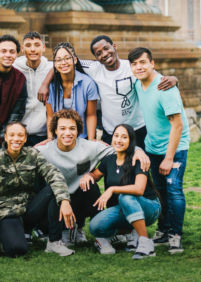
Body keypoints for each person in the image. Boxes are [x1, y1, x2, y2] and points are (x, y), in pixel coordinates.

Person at [36, 109, 150, 254]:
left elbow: (119, 148)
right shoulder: (45, 150)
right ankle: (58, 234)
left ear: (78, 131)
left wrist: (138, 150)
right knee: (50, 190)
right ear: (55, 131)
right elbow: (23, 154)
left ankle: (101, 237)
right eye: (62, 128)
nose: (68, 133)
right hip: (56, 203)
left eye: (72, 128)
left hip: (80, 198)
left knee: (90, 184)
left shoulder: (90, 147)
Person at [38, 35, 178, 149]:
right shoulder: (94, 68)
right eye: (99, 53)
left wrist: (173, 79)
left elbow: (154, 77)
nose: (104, 54)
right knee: (115, 171)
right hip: (111, 132)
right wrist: (45, 84)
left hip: (138, 128)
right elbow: (63, 63)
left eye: (106, 48)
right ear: (96, 58)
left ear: (114, 46)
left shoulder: (131, 66)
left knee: (143, 168)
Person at [0, 122, 76, 257]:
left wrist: (64, 200)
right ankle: (1, 235)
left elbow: (53, 174)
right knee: (17, 249)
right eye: (12, 135)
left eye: (20, 135)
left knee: (52, 190)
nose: (16, 139)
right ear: (5, 137)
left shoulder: (32, 154)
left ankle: (54, 242)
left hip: (29, 208)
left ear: (26, 138)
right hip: (8, 211)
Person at [128, 47, 190, 254]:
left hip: (175, 148)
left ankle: (175, 235)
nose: (139, 67)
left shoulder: (165, 87)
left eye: (143, 62)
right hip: (153, 147)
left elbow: (178, 125)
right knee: (160, 191)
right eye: (135, 64)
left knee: (173, 190)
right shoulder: (138, 84)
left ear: (152, 64)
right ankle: (163, 231)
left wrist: (169, 157)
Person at [85, 124, 161, 259]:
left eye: (124, 137)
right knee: (94, 226)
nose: (119, 140)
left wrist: (112, 189)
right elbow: (95, 176)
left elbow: (139, 189)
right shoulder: (108, 160)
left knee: (125, 196)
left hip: (149, 207)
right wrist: (87, 176)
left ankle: (145, 243)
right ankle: (127, 234)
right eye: (116, 136)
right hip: (124, 208)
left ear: (131, 141)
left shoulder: (137, 159)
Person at [46, 42, 99, 140]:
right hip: (59, 139)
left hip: (82, 137)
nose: (63, 63)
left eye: (67, 58)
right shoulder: (51, 86)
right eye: (59, 60)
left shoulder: (88, 83)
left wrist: (91, 140)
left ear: (74, 60)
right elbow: (50, 116)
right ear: (54, 64)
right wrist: (50, 139)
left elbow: (91, 115)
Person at [12, 31, 51, 146]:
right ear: (22, 49)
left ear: (43, 48)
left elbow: (70, 62)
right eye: (28, 46)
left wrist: (45, 83)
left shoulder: (51, 68)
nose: (33, 49)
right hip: (19, 133)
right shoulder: (14, 69)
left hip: (43, 134)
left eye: (37, 45)